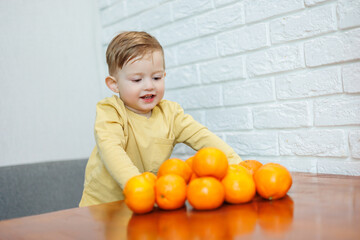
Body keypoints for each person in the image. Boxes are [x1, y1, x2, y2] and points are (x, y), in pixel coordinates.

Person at [79, 31, 242, 207]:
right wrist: (139, 187)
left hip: (144, 204)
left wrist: (238, 167)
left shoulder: (171, 114)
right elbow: (111, 150)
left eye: (156, 77)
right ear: (114, 84)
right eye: (137, 79)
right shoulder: (110, 111)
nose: (149, 86)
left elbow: (204, 138)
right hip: (102, 207)